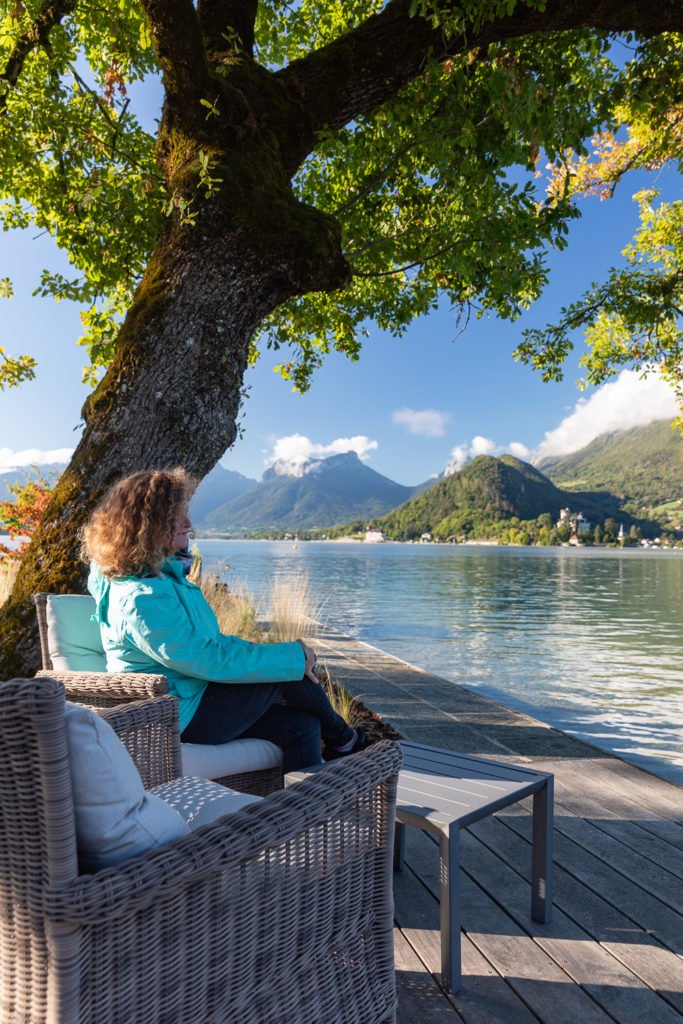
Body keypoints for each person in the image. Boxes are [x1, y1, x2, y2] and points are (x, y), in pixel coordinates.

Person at [81, 467, 369, 771]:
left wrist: (258, 649)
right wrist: (291, 656)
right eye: (179, 515)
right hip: (177, 714)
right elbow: (205, 658)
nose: (189, 524)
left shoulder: (162, 578)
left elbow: (204, 645)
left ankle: (304, 812)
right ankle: (348, 743)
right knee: (292, 671)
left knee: (304, 725)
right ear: (151, 523)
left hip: (194, 695)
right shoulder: (141, 597)